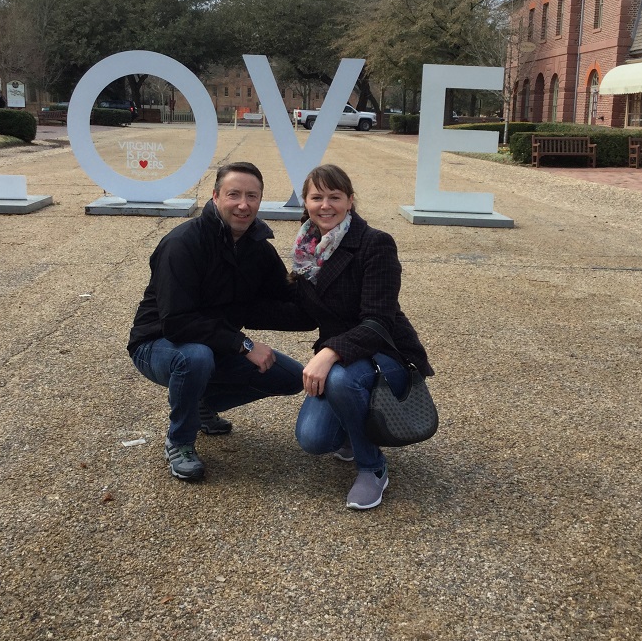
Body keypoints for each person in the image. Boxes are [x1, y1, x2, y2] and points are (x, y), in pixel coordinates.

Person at [127, 162, 309, 481]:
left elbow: (285, 300)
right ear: (215, 197)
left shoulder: (258, 249)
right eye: (233, 194)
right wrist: (243, 344)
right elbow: (177, 322)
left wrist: (322, 293)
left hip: (215, 343)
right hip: (158, 343)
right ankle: (180, 442)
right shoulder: (183, 243)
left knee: (291, 377)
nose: (243, 204)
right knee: (195, 358)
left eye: (252, 196)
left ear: (260, 200)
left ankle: (201, 404)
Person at [291, 164, 433, 510]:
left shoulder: (375, 243)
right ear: (306, 202)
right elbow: (300, 312)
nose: (326, 205)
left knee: (339, 379)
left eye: (335, 197)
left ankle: (372, 467)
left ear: (350, 200)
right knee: (313, 439)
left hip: (386, 352)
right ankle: (354, 427)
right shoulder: (307, 250)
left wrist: (328, 354)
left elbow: (378, 320)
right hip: (345, 356)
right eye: (317, 197)